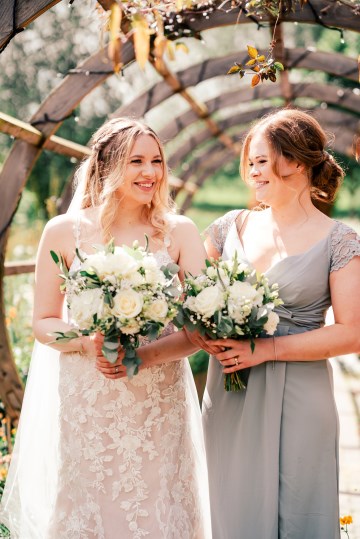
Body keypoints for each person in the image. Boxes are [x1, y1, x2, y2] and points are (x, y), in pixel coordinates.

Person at [0, 118, 211, 538]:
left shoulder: (180, 233)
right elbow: (43, 321)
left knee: (158, 505)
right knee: (89, 502)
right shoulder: (64, 231)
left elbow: (200, 327)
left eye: (157, 161)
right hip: (89, 396)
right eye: (136, 161)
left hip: (158, 399)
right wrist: (85, 342)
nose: (150, 173)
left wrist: (144, 356)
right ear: (107, 164)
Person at [189, 109, 360, 539]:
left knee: (298, 509)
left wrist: (267, 349)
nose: (253, 171)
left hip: (301, 397)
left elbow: (353, 330)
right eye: (251, 161)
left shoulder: (340, 241)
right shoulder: (229, 227)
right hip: (230, 393)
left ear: (298, 163)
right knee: (230, 508)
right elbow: (188, 298)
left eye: (263, 160)